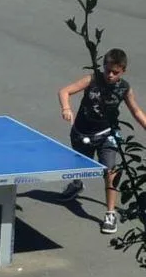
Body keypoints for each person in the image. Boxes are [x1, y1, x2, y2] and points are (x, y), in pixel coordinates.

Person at [58, 48, 146, 233]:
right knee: (81, 167)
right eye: (108, 71)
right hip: (81, 134)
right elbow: (65, 91)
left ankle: (110, 214)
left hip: (107, 134)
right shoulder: (92, 80)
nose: (111, 75)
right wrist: (66, 108)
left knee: (110, 171)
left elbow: (136, 111)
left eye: (116, 72)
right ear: (103, 67)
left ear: (123, 71)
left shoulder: (125, 89)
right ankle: (77, 184)